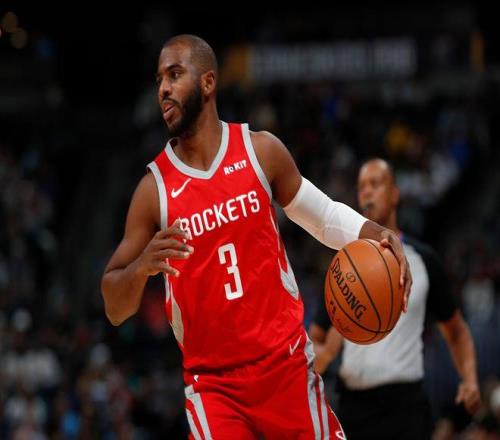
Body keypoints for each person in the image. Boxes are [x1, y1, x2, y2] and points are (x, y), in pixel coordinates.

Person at [101, 35, 412, 439]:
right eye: (159, 79)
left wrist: (378, 233)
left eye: (174, 75)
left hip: (285, 366)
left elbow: (323, 217)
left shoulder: (260, 150)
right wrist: (141, 268)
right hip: (214, 388)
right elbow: (114, 307)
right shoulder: (153, 190)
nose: (163, 88)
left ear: (208, 82)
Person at [309, 158, 481, 440]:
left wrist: (470, 379)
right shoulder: (345, 264)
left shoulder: (423, 259)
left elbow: (457, 332)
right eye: (361, 186)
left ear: (395, 194)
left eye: (375, 184)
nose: (367, 191)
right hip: (353, 406)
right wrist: (326, 353)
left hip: (405, 407)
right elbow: (311, 350)